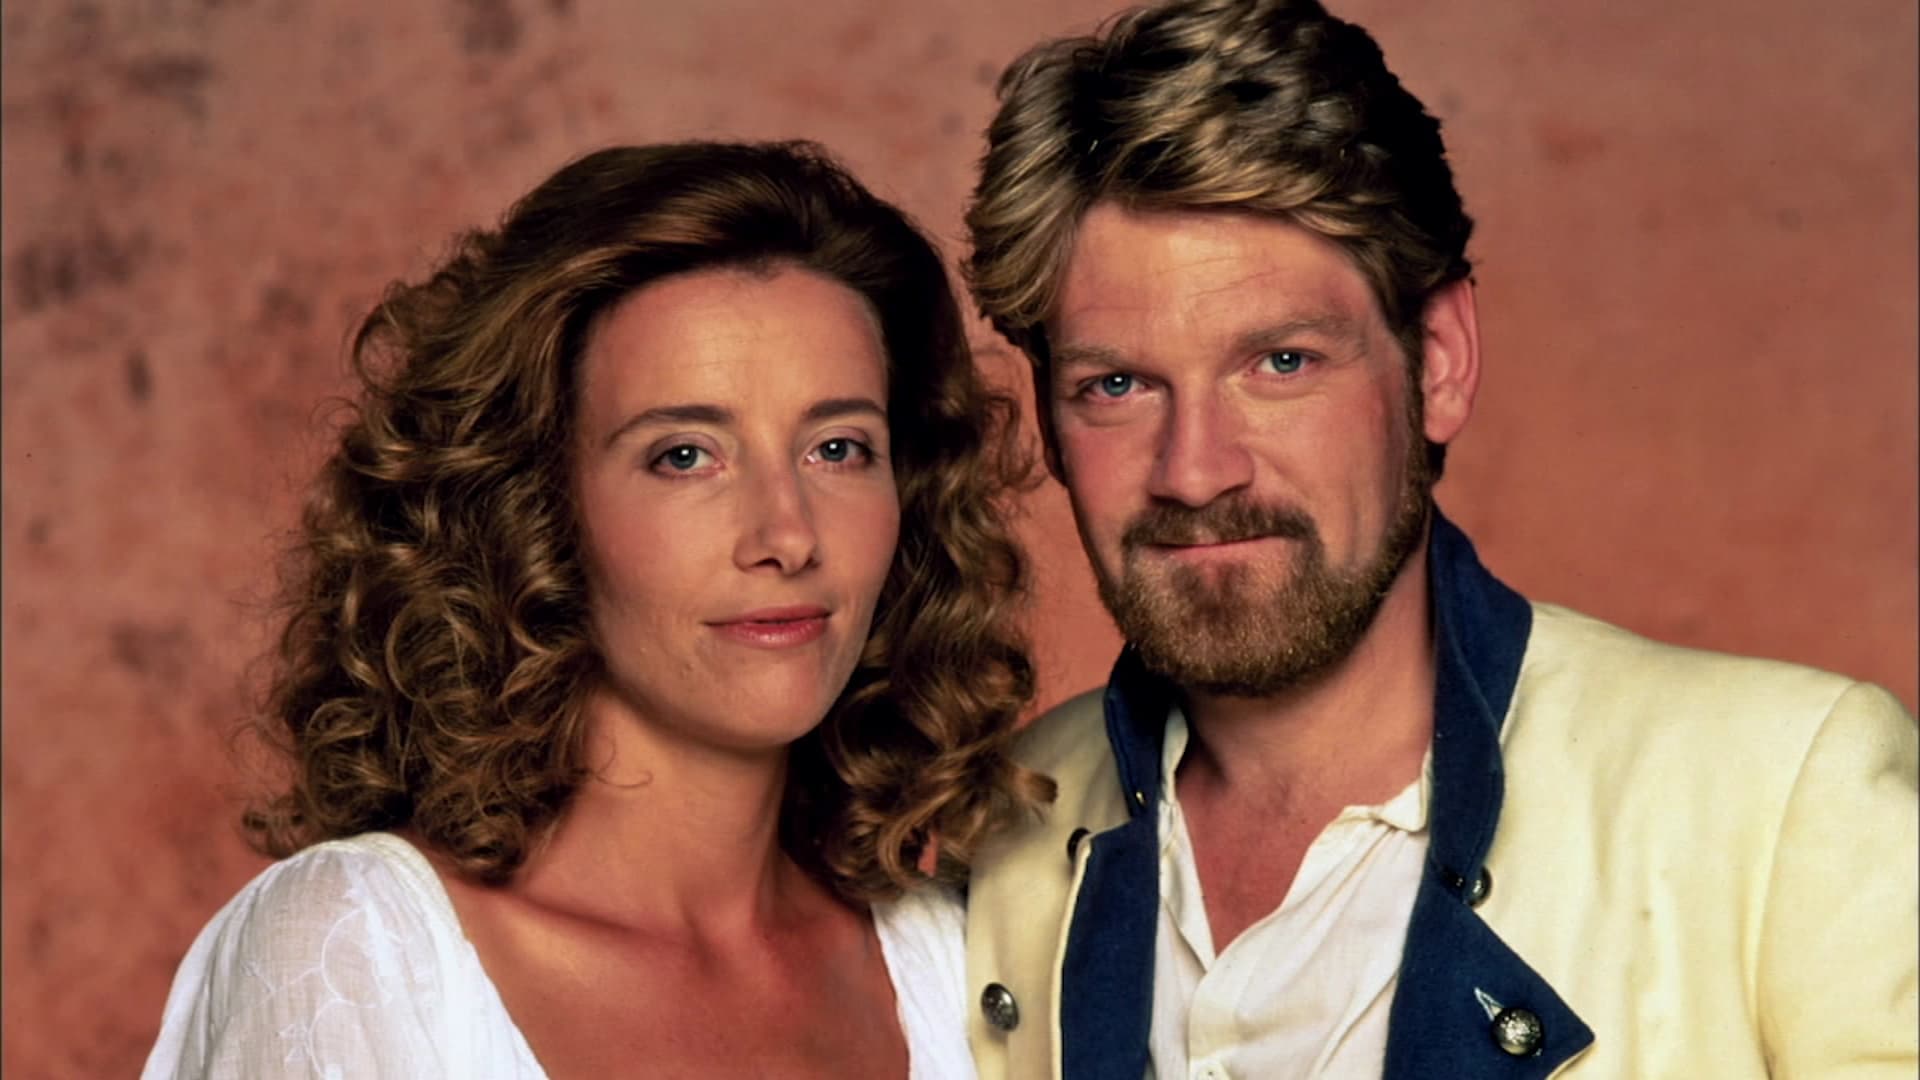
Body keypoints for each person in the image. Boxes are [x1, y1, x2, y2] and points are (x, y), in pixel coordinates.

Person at [957, 2, 1919, 1077]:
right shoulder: (999, 825)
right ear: (1050, 419)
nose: (1195, 470)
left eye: (1281, 363)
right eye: (1118, 385)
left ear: (1442, 362)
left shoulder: (1782, 799)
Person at [142, 140, 1051, 1079]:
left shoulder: (951, 959)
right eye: (685, 456)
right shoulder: (356, 952)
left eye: (838, 449)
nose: (788, 535)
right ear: (536, 506)